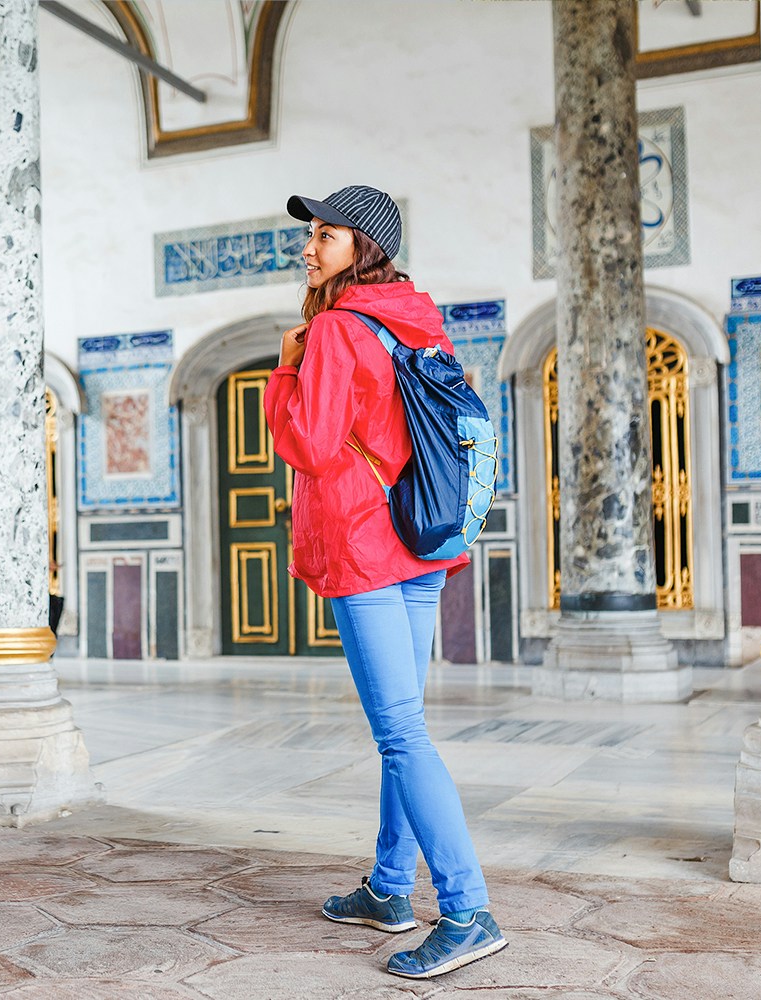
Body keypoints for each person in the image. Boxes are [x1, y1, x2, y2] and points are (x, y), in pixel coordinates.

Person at [263, 184, 507, 980]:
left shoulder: (332, 330)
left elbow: (307, 442)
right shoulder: (417, 320)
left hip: (365, 544)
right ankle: (390, 889)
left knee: (401, 734)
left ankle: (467, 911)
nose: (310, 247)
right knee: (408, 729)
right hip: (421, 539)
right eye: (311, 234)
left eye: (327, 235)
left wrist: (284, 369)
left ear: (363, 246)